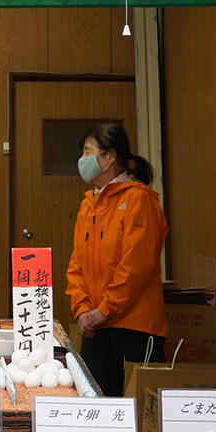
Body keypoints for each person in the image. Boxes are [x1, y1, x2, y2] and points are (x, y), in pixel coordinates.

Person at [65, 122, 168, 399]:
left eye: (88, 152)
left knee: (137, 411)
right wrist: (82, 310)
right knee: (96, 405)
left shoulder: (139, 200)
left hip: (134, 325)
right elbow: (76, 266)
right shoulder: (88, 203)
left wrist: (106, 308)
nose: (82, 160)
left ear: (109, 157)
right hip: (95, 326)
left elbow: (137, 264)